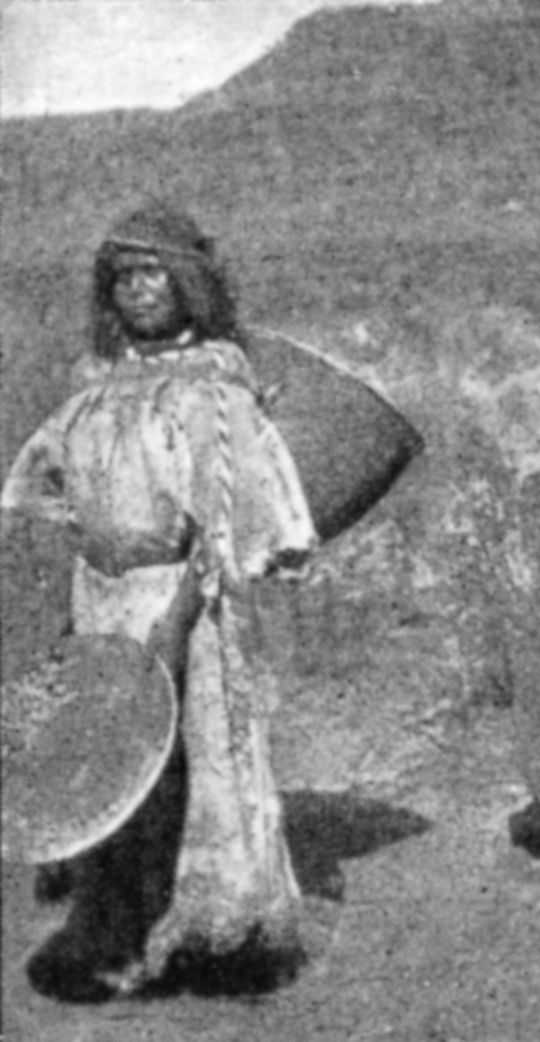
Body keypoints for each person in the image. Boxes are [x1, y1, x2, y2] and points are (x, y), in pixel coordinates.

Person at [2, 201, 318, 1000]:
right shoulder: (95, 387)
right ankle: (117, 930)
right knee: (113, 765)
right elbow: (42, 487)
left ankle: (206, 935)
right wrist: (76, 579)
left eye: (154, 274)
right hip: (101, 599)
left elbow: (223, 520)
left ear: (189, 285)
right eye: (124, 277)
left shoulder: (213, 388)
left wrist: (175, 626)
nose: (139, 290)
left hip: (182, 603)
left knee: (192, 765)